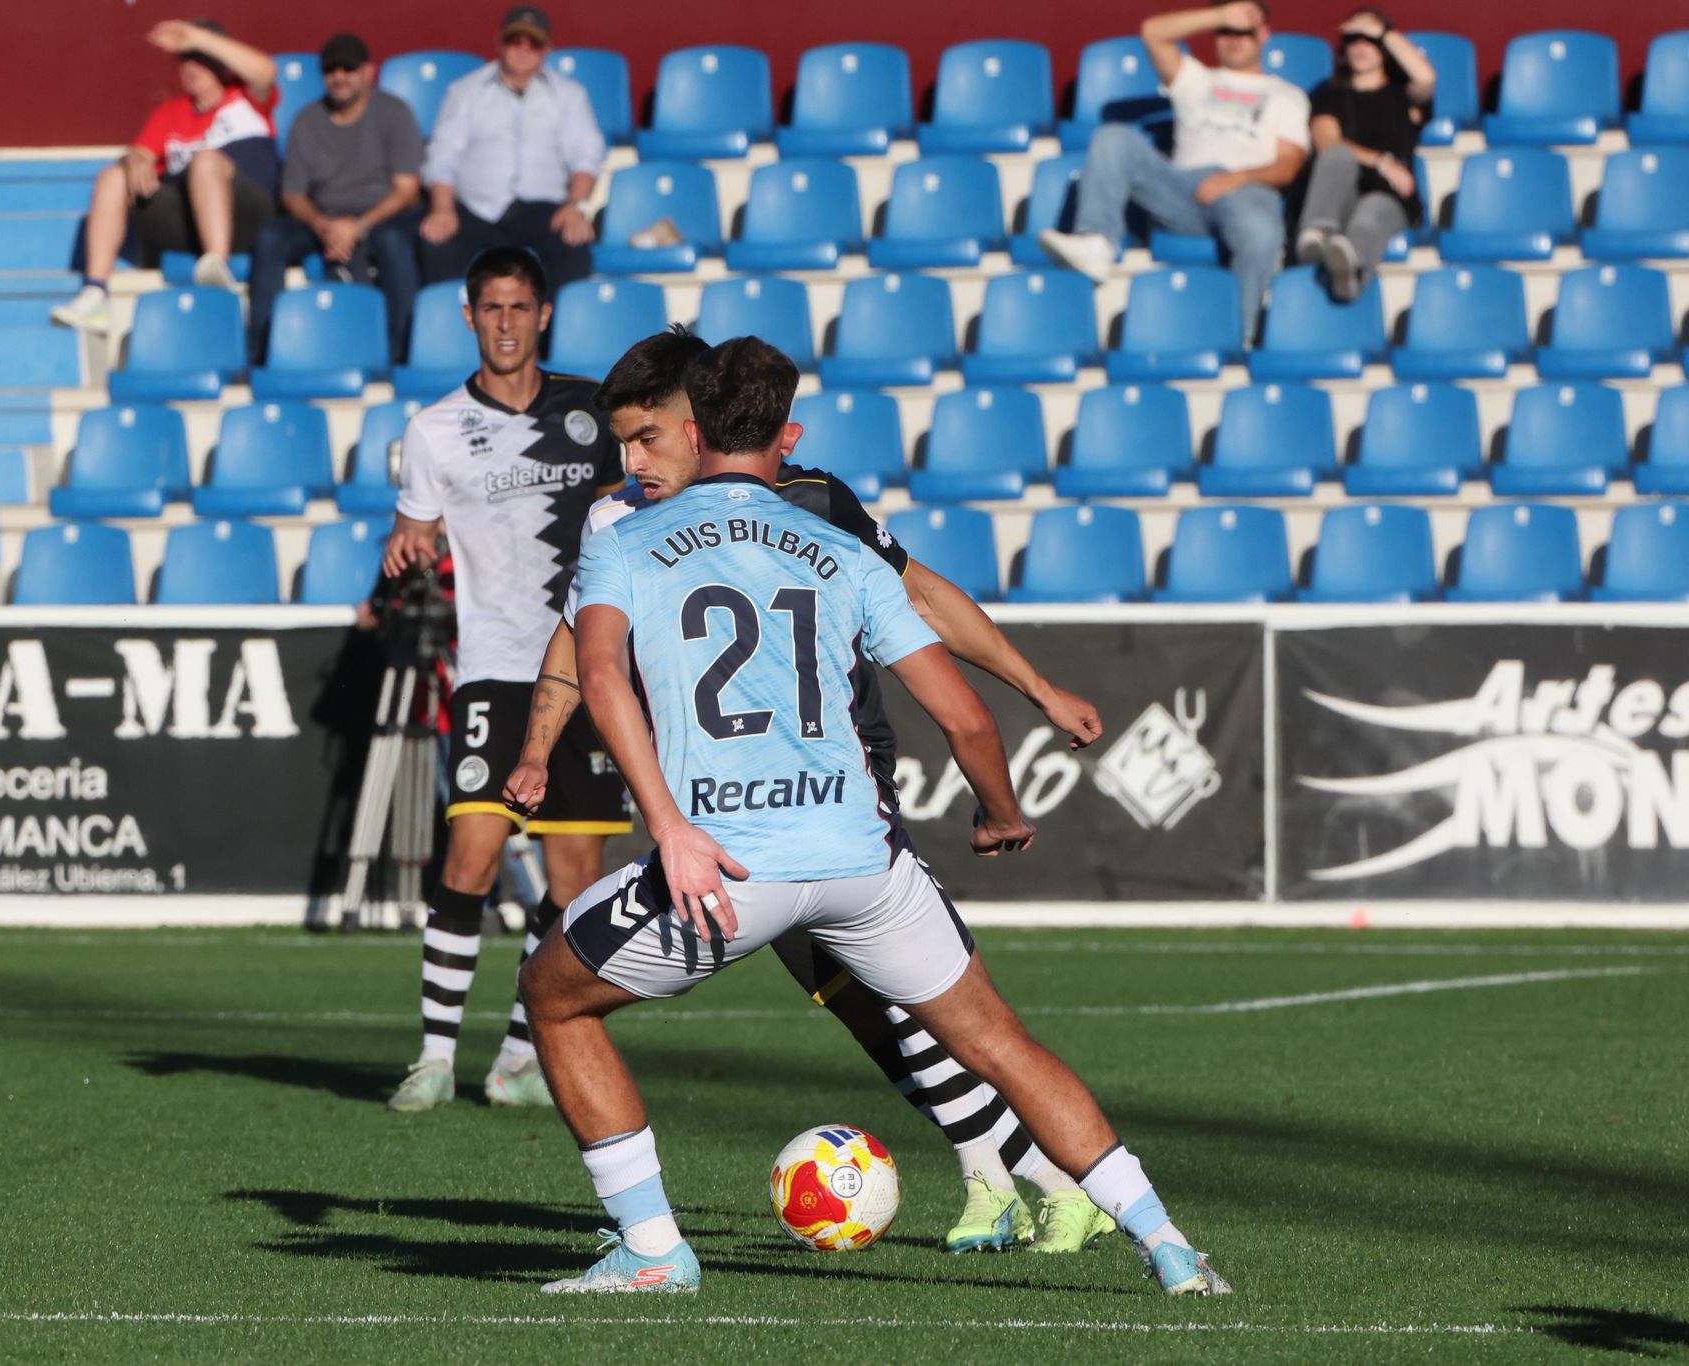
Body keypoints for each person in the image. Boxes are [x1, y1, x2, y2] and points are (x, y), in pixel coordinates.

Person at [520, 337, 1230, 1298]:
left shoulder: (624, 539)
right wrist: (998, 811)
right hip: (863, 856)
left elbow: (598, 670)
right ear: (788, 433)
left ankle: (653, 1248)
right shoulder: (836, 545)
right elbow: (965, 715)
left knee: (556, 996)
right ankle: (1169, 1243)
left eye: (648, 439)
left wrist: (669, 826)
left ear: (694, 430)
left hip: (731, 867)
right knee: (999, 1042)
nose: (632, 462)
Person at [377, 245, 628, 1114]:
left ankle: (519, 1056)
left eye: (521, 307)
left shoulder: (593, 413)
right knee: (474, 852)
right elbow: (412, 533)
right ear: (470, 316)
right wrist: (406, 548)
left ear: (544, 314)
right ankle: (435, 1056)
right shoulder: (434, 429)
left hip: (590, 670)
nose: (507, 322)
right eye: (492, 308)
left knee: (573, 883)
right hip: (493, 670)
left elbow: (631, 515)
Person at [1041, 1, 1310, 343]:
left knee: (1261, 232)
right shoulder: (1196, 79)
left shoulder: (1286, 95)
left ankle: (1239, 334)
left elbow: (1288, 165)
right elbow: (1152, 32)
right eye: (1226, 30)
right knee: (1113, 137)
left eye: (1244, 30)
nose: (1234, 38)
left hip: (1245, 190)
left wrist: (1234, 179)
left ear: (1263, 34)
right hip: (1180, 189)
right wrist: (1219, 14)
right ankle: (1096, 241)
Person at [52, 19, 279, 332]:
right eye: (184, 59)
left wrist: (197, 37)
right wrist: (134, 161)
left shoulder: (246, 96)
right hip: (193, 221)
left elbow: (265, 69)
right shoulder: (171, 112)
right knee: (113, 176)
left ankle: (218, 270)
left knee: (205, 161)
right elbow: (140, 152)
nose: (189, 67)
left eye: (198, 58)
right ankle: (95, 293)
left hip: (252, 216)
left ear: (219, 61)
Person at [248, 33, 425, 367]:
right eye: (331, 70)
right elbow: (293, 194)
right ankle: (261, 353)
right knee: (269, 239)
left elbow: (407, 190)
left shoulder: (394, 113)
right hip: (324, 216)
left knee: (393, 242)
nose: (340, 76)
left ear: (368, 72)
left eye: (349, 68)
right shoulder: (307, 120)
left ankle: (402, 354)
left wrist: (357, 227)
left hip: (381, 215)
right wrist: (323, 225)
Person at [417, 6, 605, 303]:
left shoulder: (569, 94)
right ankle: (451, 340)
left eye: (534, 42)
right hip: (475, 210)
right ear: (500, 42)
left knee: (573, 245)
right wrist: (442, 208)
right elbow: (442, 156)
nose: (523, 49)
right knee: (436, 243)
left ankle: (553, 341)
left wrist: (576, 205)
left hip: (543, 210)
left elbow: (586, 154)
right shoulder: (465, 91)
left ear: (547, 49)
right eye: (515, 40)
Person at [1294, 10, 1436, 302]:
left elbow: (1426, 77)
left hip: (1388, 197)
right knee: (1338, 156)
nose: (1360, 47)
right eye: (1352, 40)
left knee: (1371, 214)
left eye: (1368, 40)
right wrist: (1381, 162)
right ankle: (1315, 235)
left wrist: (1383, 30)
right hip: (1340, 195)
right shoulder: (1328, 93)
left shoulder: (1402, 94)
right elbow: (1327, 141)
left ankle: (1351, 272)